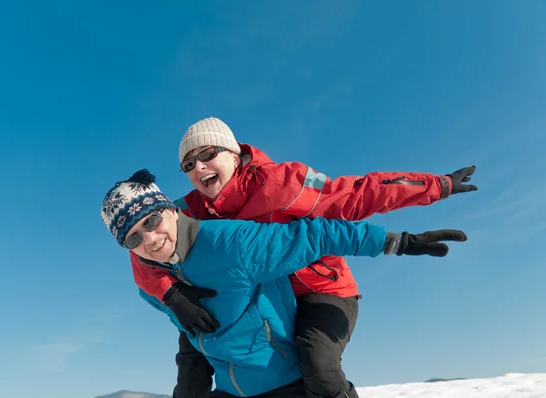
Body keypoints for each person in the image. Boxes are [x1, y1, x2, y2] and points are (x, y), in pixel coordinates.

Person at [130, 117, 479, 398]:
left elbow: (353, 195)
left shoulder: (282, 183)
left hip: (318, 288)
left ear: (233, 155)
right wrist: (172, 295)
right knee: (191, 367)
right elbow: (141, 243)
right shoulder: (187, 210)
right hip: (251, 303)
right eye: (189, 163)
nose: (199, 167)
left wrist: (437, 187)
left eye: (208, 155)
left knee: (317, 364)